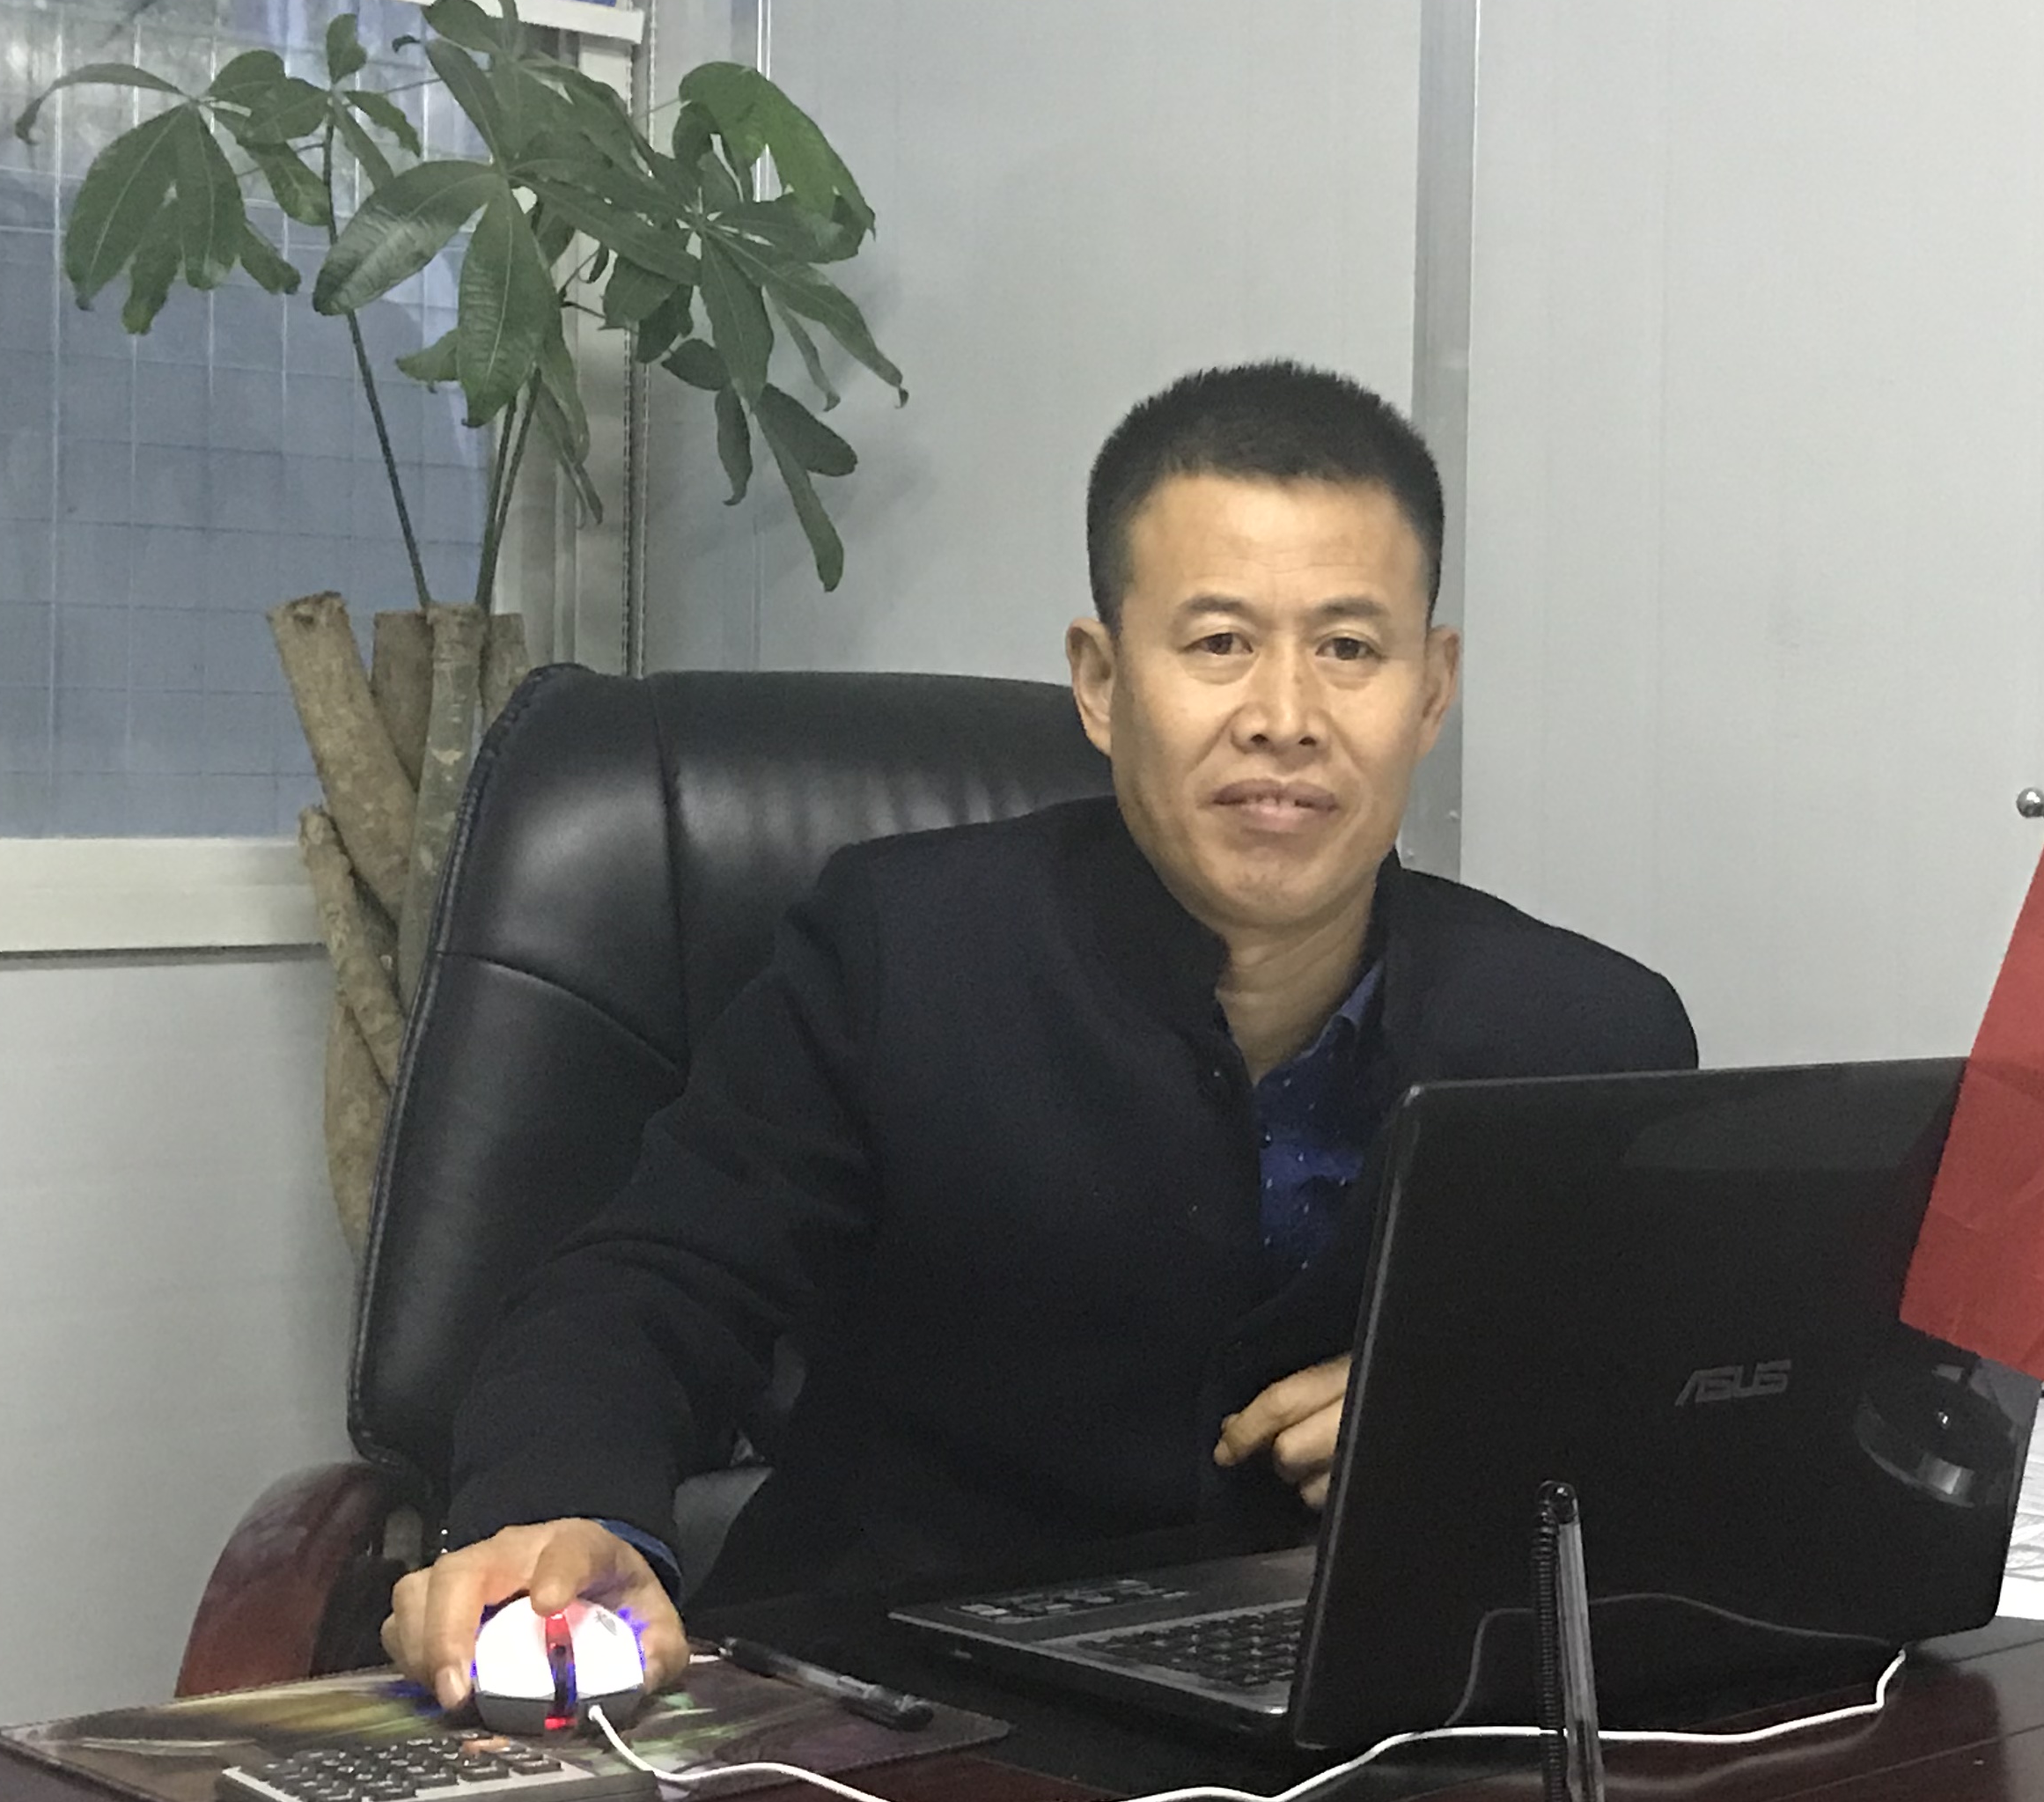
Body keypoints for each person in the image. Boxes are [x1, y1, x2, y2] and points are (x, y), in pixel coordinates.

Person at [386, 361, 1695, 1708]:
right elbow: (654, 1286)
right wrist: (558, 1517)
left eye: (1350, 650)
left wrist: (1467, 1424)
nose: (1286, 718)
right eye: (1219, 644)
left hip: (1379, 1726)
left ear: (1431, 689)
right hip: (905, 1721)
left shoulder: (1586, 1032)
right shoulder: (899, 953)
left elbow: (1681, 1409)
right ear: (1102, 682)